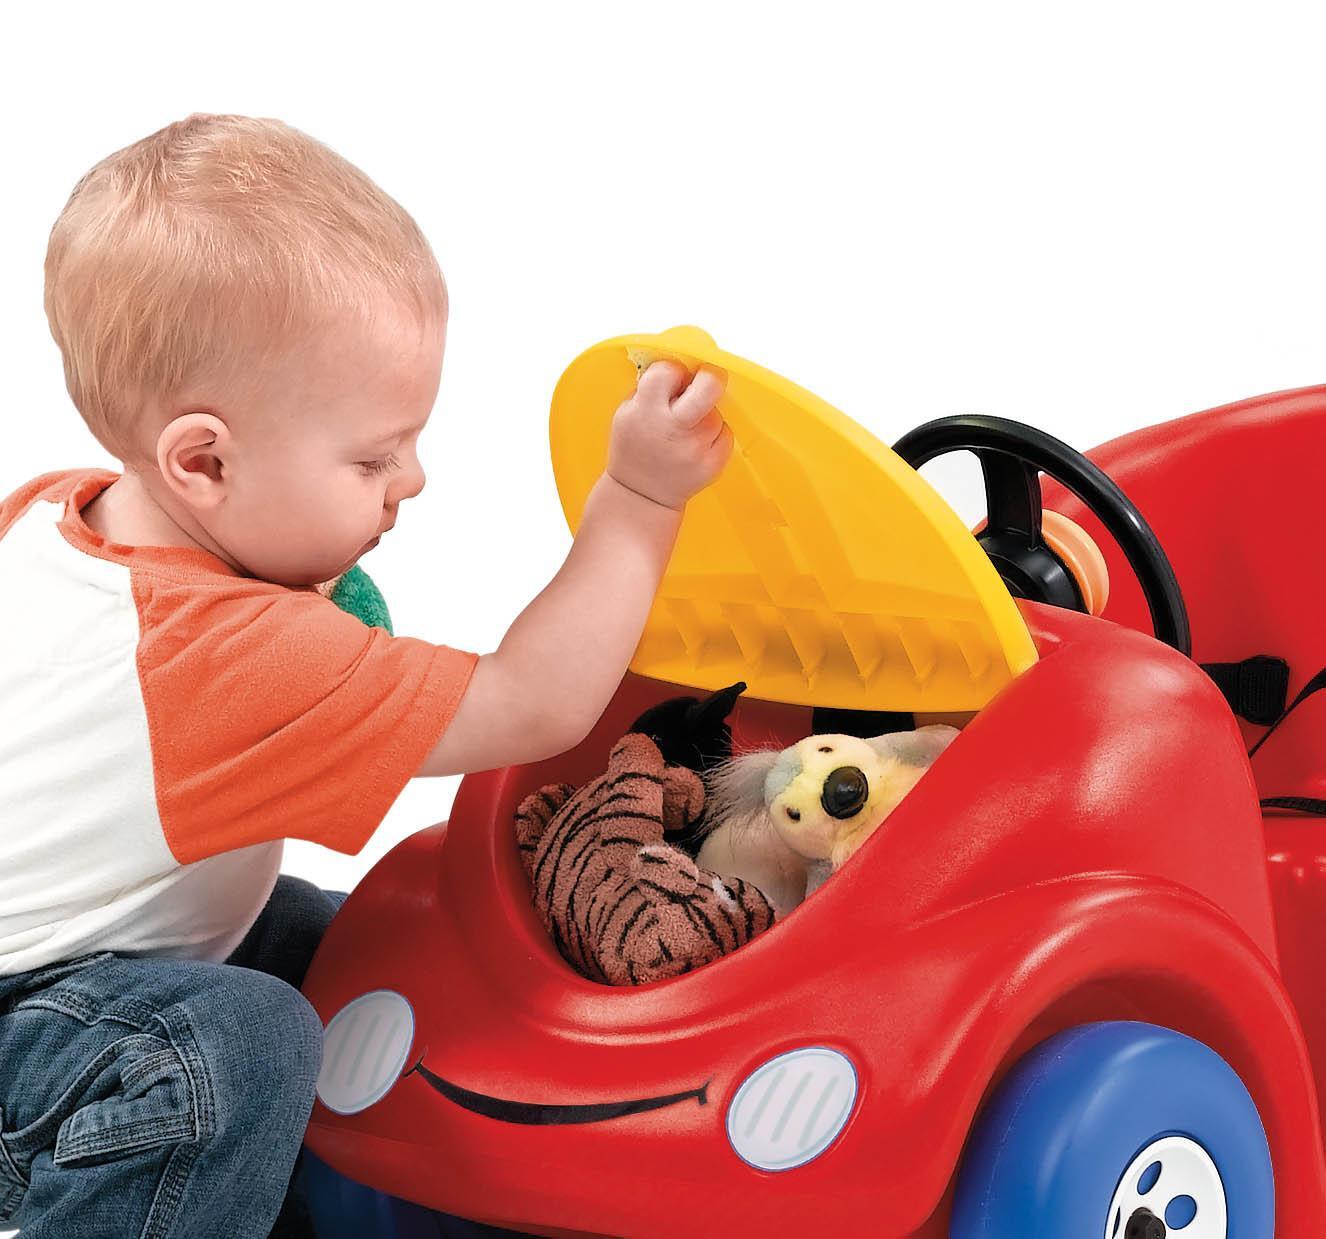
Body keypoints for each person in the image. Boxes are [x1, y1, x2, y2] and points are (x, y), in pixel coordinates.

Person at [0, 113, 730, 1238]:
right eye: (373, 456)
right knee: (232, 1045)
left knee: (384, 948)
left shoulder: (58, 513)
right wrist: (638, 503)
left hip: (94, 966)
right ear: (204, 463)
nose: (414, 480)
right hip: (27, 1030)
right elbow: (532, 703)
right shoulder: (223, 655)